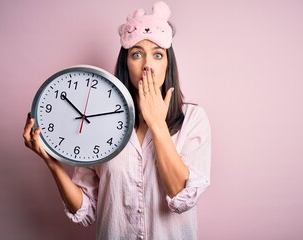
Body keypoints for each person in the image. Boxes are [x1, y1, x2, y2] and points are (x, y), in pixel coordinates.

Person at [23, 1, 211, 239]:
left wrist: (157, 123)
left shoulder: (193, 119)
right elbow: (86, 209)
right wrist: (52, 162)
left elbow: (181, 197)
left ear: (168, 63)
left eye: (157, 55)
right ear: (126, 62)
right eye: (136, 54)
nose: (147, 66)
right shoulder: (97, 123)